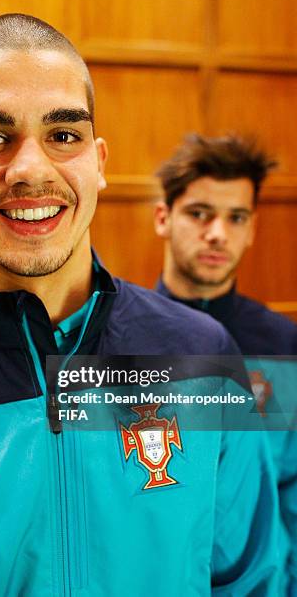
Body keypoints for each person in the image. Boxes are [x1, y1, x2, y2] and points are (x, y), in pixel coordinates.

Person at [0, 16, 279, 596]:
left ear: (98, 163)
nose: (30, 168)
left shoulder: (202, 355)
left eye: (63, 135)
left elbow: (251, 579)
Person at [154, 133, 297, 595]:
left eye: (235, 218)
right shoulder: (122, 341)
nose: (218, 233)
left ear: (252, 228)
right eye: (199, 214)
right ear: (164, 217)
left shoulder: (282, 342)